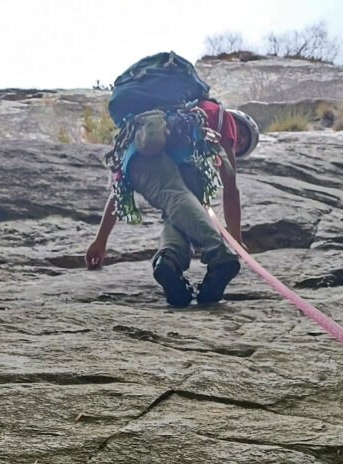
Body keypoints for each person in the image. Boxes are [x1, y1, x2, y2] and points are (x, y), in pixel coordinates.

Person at [85, 97, 243, 307]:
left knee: (178, 212)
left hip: (145, 161)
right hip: (175, 160)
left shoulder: (159, 114)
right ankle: (219, 254)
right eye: (242, 137)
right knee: (178, 199)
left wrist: (101, 240)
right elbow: (230, 186)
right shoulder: (220, 115)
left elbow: (117, 193)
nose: (238, 142)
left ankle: (169, 260)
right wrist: (235, 242)